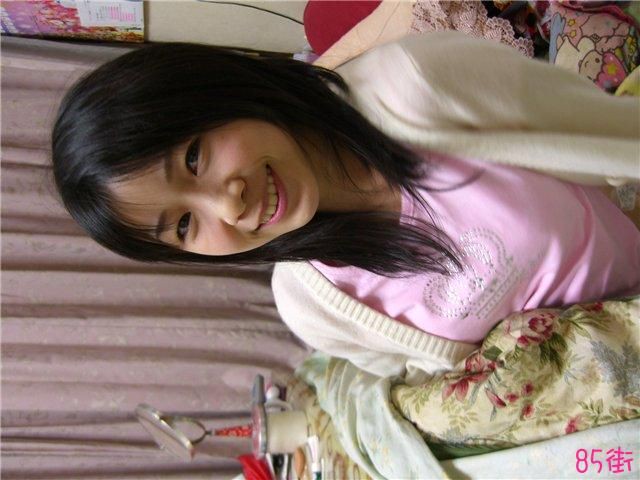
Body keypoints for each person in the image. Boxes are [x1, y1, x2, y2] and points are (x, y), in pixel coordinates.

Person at [52, 31, 640, 380]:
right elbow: (422, 375)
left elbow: (611, 134)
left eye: (194, 157)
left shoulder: (418, 86)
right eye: (184, 225)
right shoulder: (312, 307)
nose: (227, 206)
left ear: (218, 91)